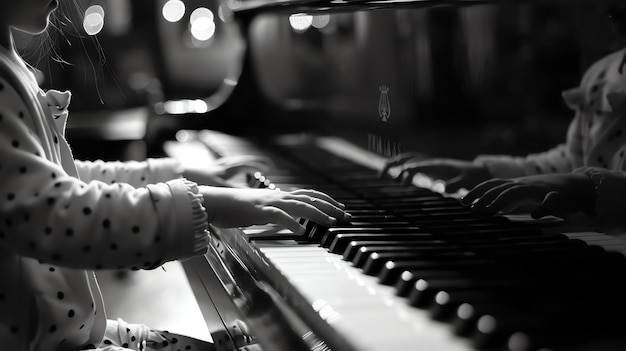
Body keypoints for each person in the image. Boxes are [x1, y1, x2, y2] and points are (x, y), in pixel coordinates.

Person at [0, 1, 350, 350]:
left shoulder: (10, 67)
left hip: (73, 331)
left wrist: (175, 173)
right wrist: (205, 204)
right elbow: (57, 217)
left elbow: (67, 179)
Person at [382, 1, 626, 232]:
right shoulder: (601, 74)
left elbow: (578, 179)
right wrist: (486, 172)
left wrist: (585, 188)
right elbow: (573, 161)